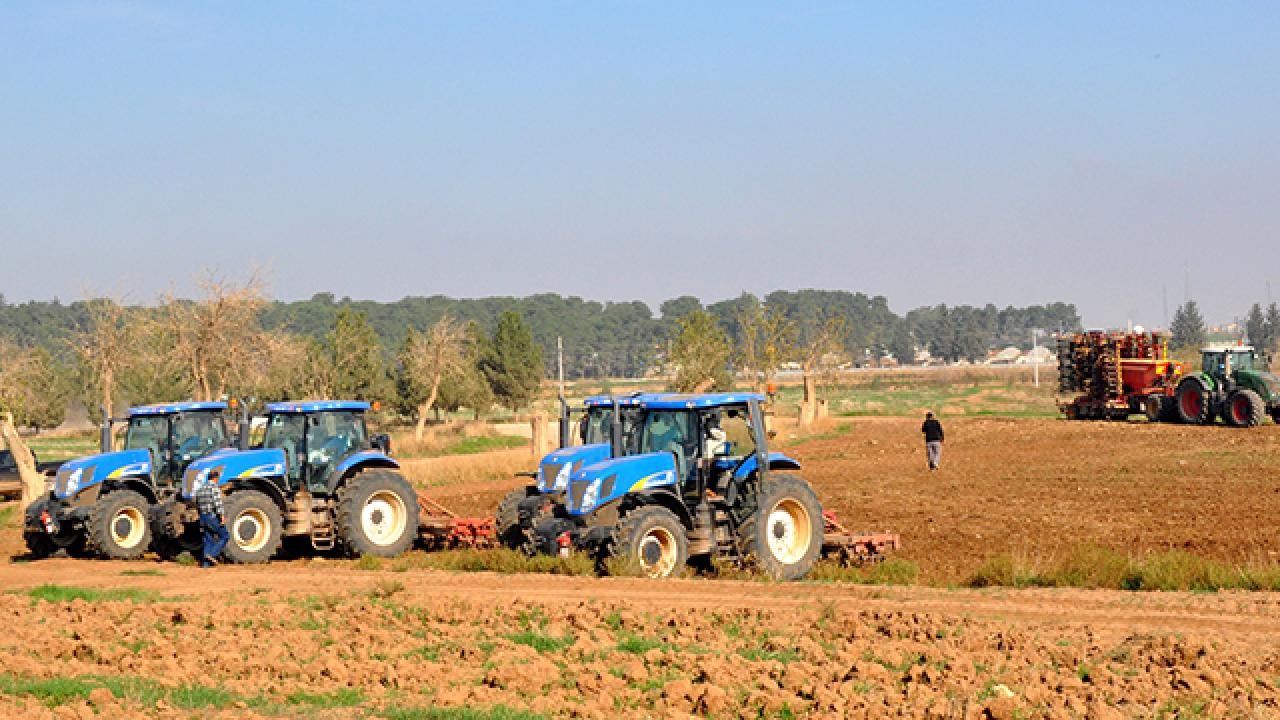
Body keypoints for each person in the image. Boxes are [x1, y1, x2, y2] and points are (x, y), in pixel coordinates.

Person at [195, 469, 230, 567]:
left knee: (208, 539)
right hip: (211, 516)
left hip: (203, 517)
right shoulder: (214, 487)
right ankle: (211, 554)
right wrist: (222, 517)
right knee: (225, 535)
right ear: (216, 478)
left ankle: (205, 565)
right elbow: (217, 503)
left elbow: (197, 503)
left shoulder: (201, 489)